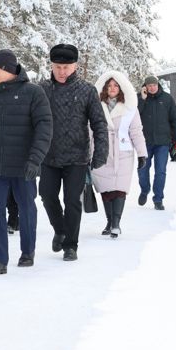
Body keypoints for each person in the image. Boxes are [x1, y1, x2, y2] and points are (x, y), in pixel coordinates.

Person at [0, 50, 52, 275]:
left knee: (26, 209)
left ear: (9, 70)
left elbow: (44, 129)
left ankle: (27, 251)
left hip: (23, 165)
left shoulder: (34, 93)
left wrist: (35, 160)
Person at [39, 44, 108, 262]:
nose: (62, 72)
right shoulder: (42, 89)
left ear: (75, 66)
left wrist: (101, 152)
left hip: (77, 156)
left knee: (72, 201)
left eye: (66, 67)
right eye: (58, 67)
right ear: (51, 66)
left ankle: (71, 245)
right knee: (47, 195)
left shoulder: (87, 90)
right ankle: (60, 230)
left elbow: (99, 123)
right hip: (48, 155)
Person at [90, 71, 148, 239]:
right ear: (104, 88)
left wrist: (142, 154)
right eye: (109, 86)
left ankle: (116, 223)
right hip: (100, 151)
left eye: (116, 85)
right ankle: (109, 222)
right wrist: (86, 153)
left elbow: (136, 131)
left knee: (120, 188)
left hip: (123, 151)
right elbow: (88, 131)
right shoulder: (95, 106)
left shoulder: (130, 108)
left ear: (121, 87)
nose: (112, 88)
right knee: (105, 188)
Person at [137, 75, 176, 211]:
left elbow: (175, 120)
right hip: (144, 141)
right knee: (142, 169)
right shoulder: (139, 98)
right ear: (145, 87)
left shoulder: (167, 99)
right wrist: (142, 99)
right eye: (149, 86)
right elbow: (134, 116)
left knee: (161, 171)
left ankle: (158, 199)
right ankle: (144, 190)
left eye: (154, 85)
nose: (152, 88)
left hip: (163, 142)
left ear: (158, 85)